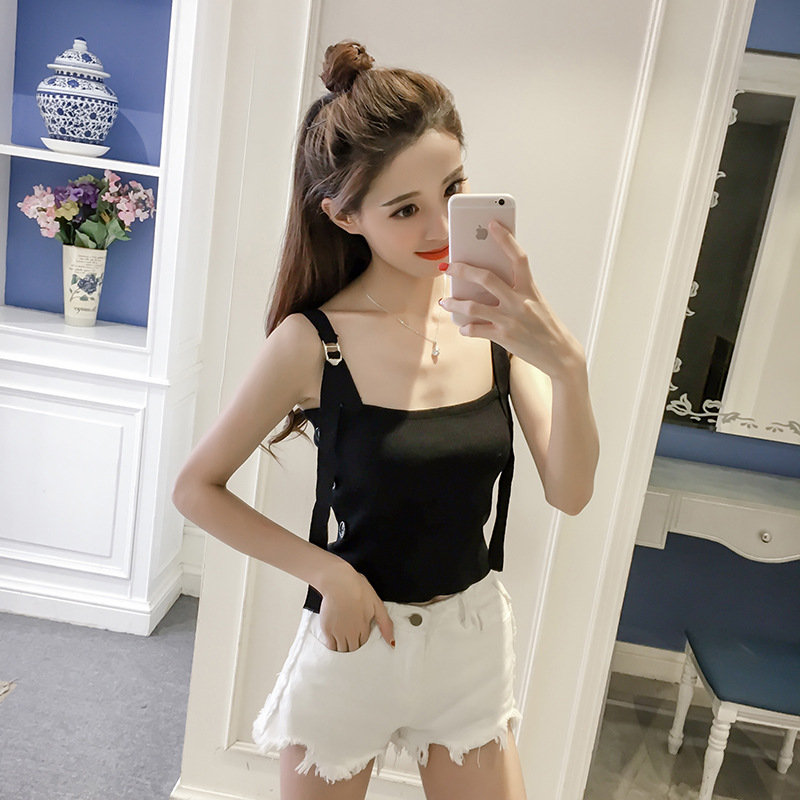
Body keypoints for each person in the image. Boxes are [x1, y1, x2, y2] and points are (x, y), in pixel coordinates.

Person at [172, 40, 599, 800]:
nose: (441, 227)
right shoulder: (312, 342)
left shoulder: (495, 328)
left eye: (453, 189)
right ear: (344, 215)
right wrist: (326, 572)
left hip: (469, 645)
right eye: (405, 209)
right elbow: (196, 488)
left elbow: (570, 493)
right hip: (355, 640)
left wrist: (568, 365)